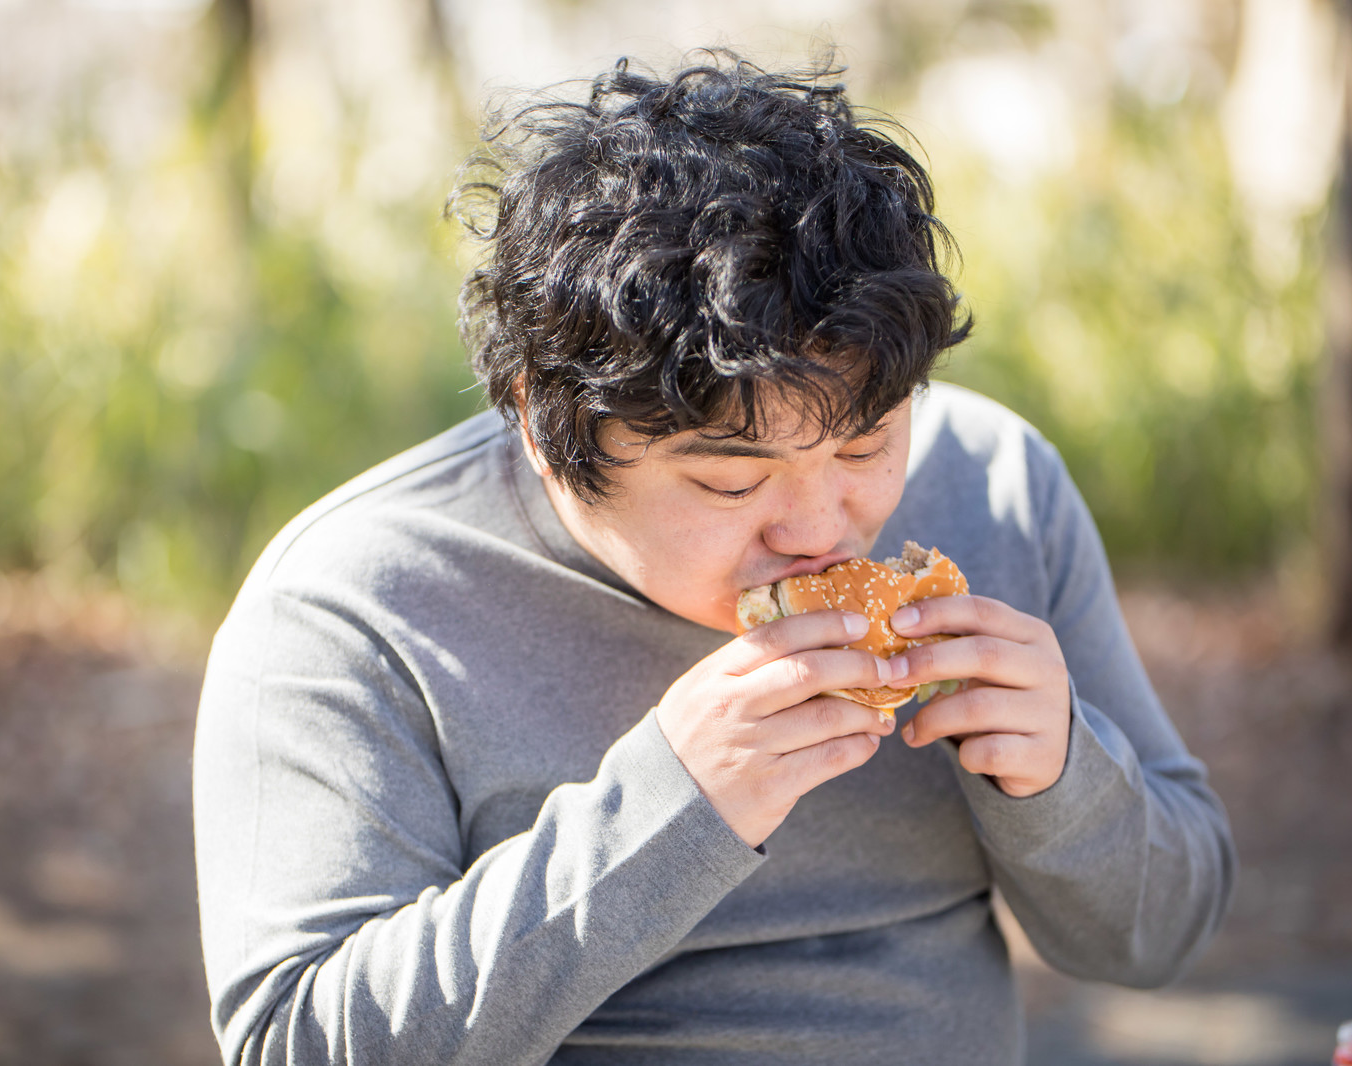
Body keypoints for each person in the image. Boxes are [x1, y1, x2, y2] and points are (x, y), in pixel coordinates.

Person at [192, 52, 1235, 1065]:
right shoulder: (355, 603)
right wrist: (668, 808)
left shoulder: (994, 482)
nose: (821, 527)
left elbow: (1160, 935)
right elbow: (299, 1042)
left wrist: (1061, 769)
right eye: (732, 483)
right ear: (543, 428)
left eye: (867, 442)